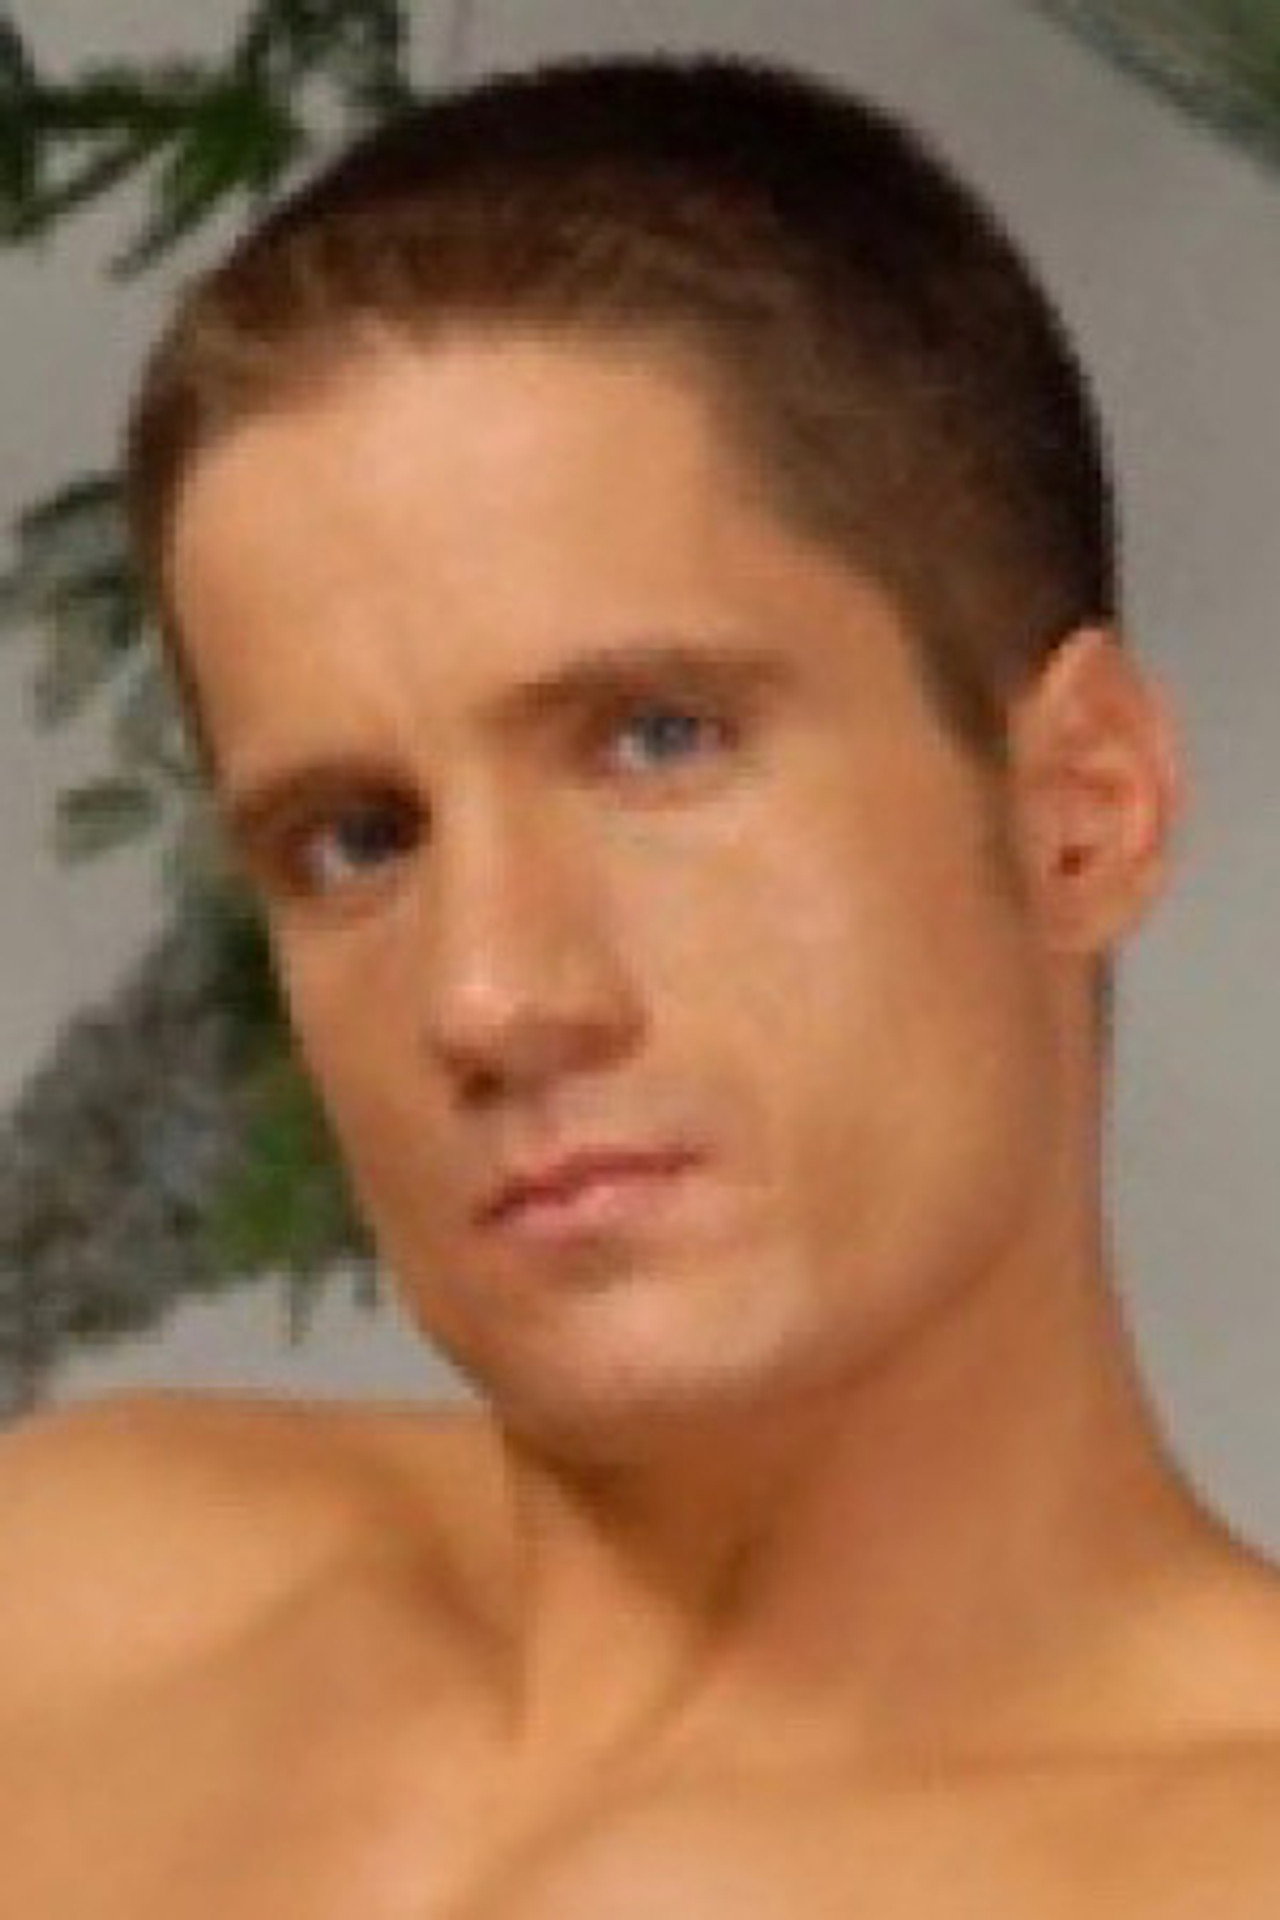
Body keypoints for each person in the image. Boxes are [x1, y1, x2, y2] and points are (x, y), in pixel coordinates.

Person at [2, 50, 1278, 1916]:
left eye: (657, 740)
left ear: (1085, 811)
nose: (492, 995)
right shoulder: (68, 1601)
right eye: (355, 838)